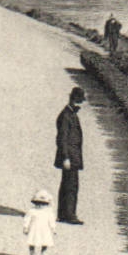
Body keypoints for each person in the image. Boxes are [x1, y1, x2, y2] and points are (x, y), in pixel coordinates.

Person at [54, 87, 86, 225]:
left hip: (73, 157)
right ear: (74, 100)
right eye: (80, 102)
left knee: (67, 184)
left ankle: (63, 213)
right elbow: (62, 139)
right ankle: (69, 215)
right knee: (71, 186)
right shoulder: (66, 116)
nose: (81, 105)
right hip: (70, 158)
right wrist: (66, 157)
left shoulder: (70, 114)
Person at [23, 189, 56, 255]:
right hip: (34, 229)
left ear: (47, 204)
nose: (40, 205)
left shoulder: (48, 212)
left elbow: (51, 220)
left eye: (43, 204)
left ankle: (43, 254)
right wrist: (25, 227)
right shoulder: (32, 211)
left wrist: (53, 228)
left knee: (45, 241)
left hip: (45, 229)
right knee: (32, 241)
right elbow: (27, 219)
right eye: (38, 203)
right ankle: (32, 254)